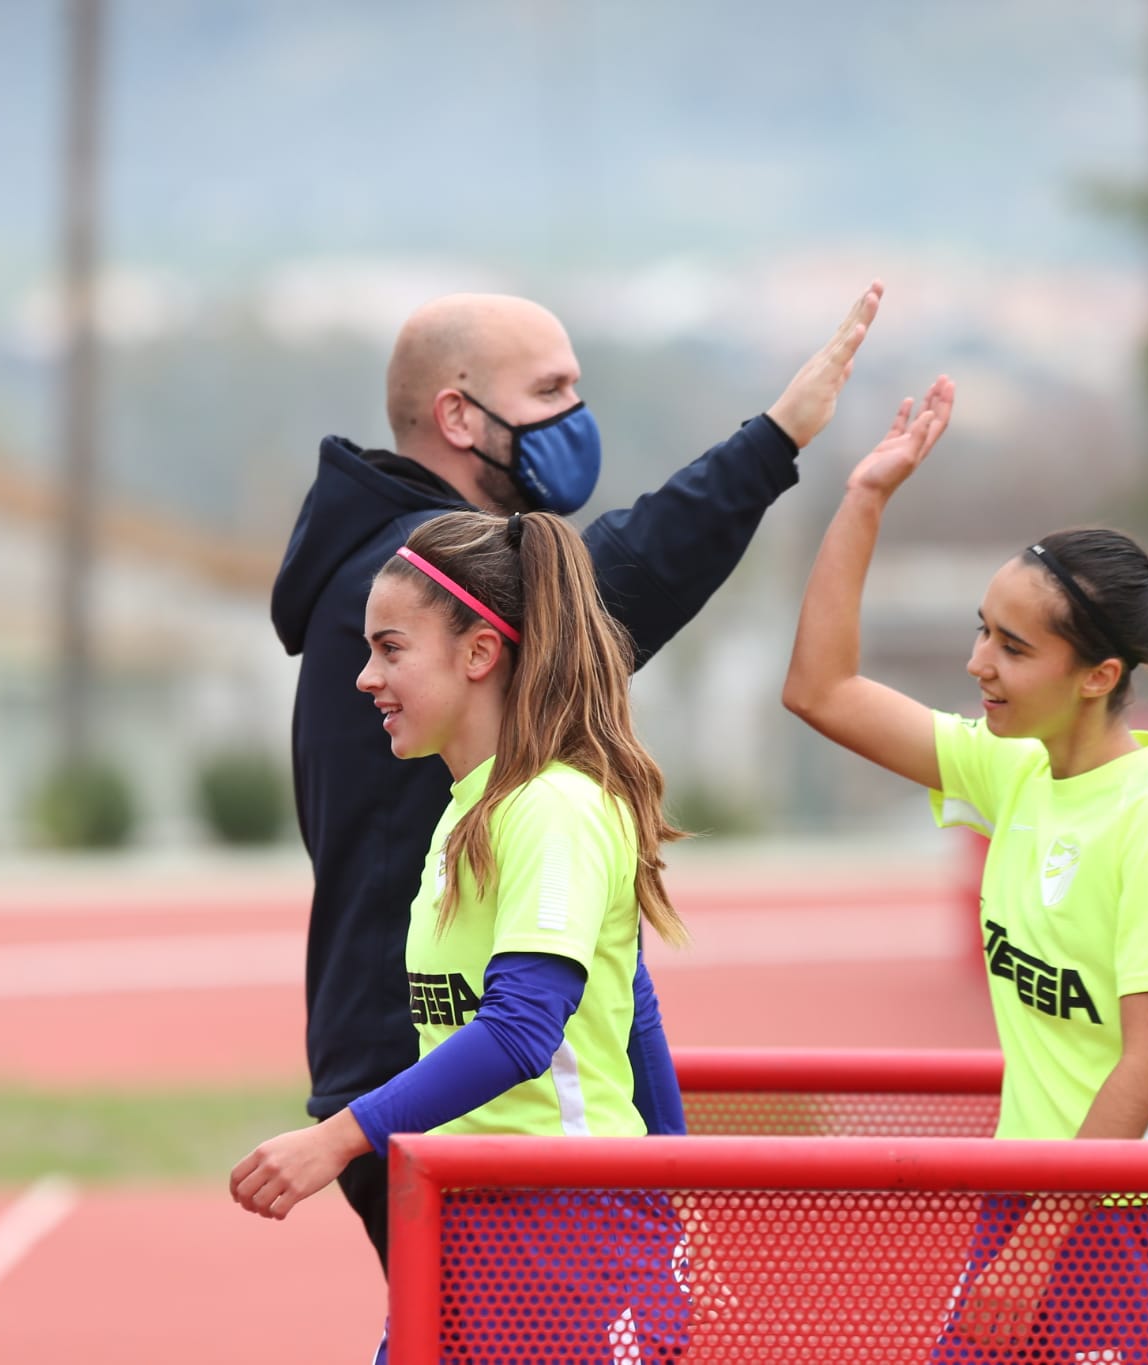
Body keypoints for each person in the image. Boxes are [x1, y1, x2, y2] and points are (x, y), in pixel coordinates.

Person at [271, 282, 885, 1265]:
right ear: (458, 415)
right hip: (432, 1088)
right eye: (550, 388)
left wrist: (670, 1160)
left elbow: (622, 984)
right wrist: (772, 441)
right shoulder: (408, 589)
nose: (573, 416)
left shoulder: (519, 784)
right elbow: (610, 577)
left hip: (443, 1101)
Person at [781, 382, 1148, 1362]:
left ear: (1098, 677)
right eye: (981, 629)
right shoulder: (1015, 771)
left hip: (1138, 1224)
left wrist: (1037, 1247)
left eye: (1010, 646)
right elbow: (819, 691)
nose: (975, 662)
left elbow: (1147, 1062)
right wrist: (865, 496)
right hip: (1030, 1206)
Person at [239, 508, 693, 1362]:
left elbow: (526, 1029)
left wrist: (339, 1136)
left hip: (568, 1244)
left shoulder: (553, 806)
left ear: (480, 652)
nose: (366, 676)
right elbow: (631, 998)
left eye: (392, 648)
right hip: (473, 1239)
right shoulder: (468, 812)